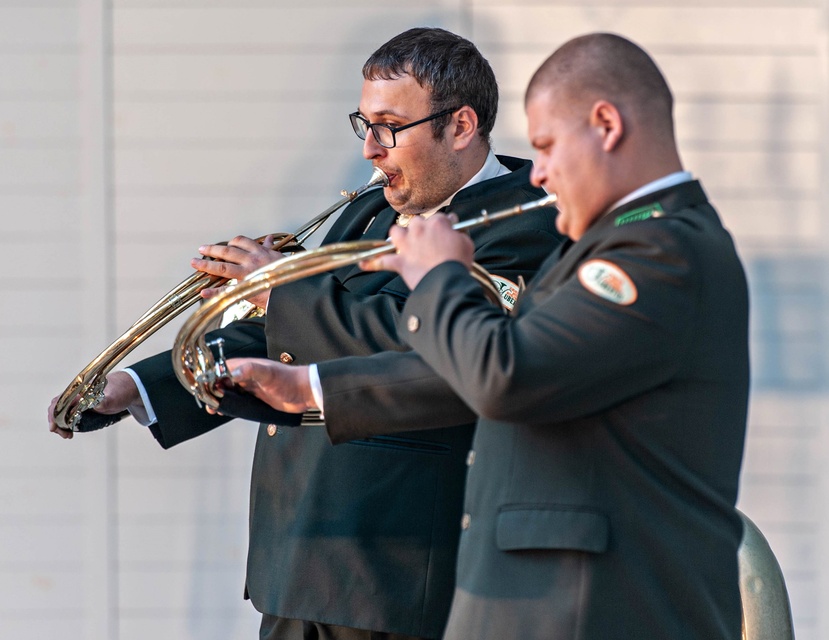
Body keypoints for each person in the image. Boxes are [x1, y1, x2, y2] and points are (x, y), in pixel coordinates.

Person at [222, 33, 750, 640]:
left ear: (605, 124)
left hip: (594, 600)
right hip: (539, 597)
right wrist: (311, 390)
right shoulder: (626, 244)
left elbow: (508, 375)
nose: (541, 170)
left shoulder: (660, 253)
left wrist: (441, 276)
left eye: (548, 146)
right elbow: (482, 374)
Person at [49, 27, 564, 640]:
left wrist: (277, 289)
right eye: (363, 124)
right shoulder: (372, 206)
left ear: (459, 126)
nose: (371, 149)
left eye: (390, 126)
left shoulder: (526, 222)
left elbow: (420, 342)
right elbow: (291, 335)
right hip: (297, 551)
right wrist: (138, 384)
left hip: (395, 570)